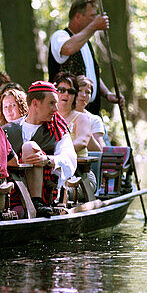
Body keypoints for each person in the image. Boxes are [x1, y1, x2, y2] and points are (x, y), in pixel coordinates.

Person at [2, 81, 76, 217]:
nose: (56, 109)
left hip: (45, 192)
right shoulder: (8, 129)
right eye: (51, 103)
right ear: (35, 103)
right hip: (9, 189)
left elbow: (70, 159)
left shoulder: (58, 131)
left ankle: (36, 203)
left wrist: (47, 160)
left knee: (29, 147)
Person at [48, 0, 120, 115]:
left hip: (92, 110)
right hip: (68, 112)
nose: (95, 19)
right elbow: (68, 48)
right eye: (92, 15)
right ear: (78, 16)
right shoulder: (60, 36)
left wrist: (107, 94)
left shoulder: (86, 43)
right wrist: (94, 27)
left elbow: (93, 74)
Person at [54, 73, 99, 201]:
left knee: (58, 193)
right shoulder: (49, 117)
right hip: (54, 172)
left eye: (71, 91)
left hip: (80, 176)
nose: (66, 94)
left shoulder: (81, 118)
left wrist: (58, 154)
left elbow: (82, 142)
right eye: (61, 90)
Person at [75, 75, 107, 147]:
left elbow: (99, 151)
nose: (83, 95)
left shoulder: (95, 120)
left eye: (87, 92)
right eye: (79, 90)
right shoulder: (63, 115)